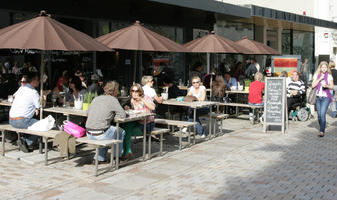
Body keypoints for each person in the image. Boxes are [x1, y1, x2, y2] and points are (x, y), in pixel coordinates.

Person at [85, 81, 126, 163]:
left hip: (89, 133)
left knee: (108, 131)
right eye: (117, 90)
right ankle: (116, 158)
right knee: (120, 132)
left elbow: (87, 113)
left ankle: (99, 158)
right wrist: (114, 116)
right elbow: (122, 115)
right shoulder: (113, 100)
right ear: (114, 91)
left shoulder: (96, 98)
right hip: (101, 134)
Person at [9, 72, 41, 153]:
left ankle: (24, 141)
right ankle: (27, 142)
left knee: (31, 122)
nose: (39, 81)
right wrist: (44, 96)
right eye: (38, 80)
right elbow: (39, 105)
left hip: (11, 120)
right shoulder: (34, 92)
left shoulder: (21, 88)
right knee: (41, 125)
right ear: (33, 81)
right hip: (21, 121)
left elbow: (14, 96)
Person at [122, 83, 156, 158]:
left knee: (126, 130)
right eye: (132, 91)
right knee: (124, 126)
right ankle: (127, 151)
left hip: (147, 124)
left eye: (136, 91)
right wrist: (127, 107)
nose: (134, 93)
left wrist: (142, 100)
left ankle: (126, 151)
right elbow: (132, 111)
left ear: (140, 92)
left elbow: (153, 107)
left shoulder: (146, 98)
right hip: (137, 122)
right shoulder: (132, 100)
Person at [312, 61, 334, 137]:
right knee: (319, 116)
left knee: (322, 114)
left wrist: (327, 86)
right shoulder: (316, 75)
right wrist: (319, 79)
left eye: (325, 67)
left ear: (327, 68)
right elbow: (312, 85)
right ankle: (322, 126)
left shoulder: (329, 76)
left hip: (326, 97)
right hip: (318, 97)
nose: (324, 69)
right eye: (322, 67)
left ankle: (321, 131)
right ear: (320, 68)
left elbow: (332, 87)